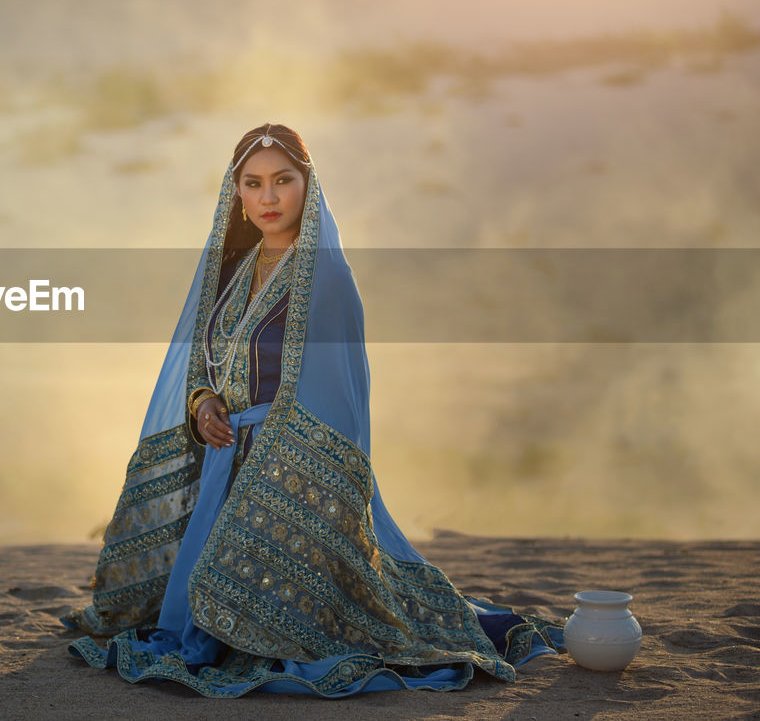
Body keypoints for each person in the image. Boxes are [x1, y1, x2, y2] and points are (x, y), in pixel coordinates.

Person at [60, 123, 564, 698]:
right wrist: (202, 407)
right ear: (238, 195)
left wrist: (279, 463)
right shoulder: (231, 272)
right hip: (223, 469)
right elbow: (205, 364)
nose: (268, 197)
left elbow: (343, 401)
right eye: (253, 184)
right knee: (188, 612)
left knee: (240, 621)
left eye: (283, 181)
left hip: (292, 478)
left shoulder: (328, 279)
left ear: (309, 185)